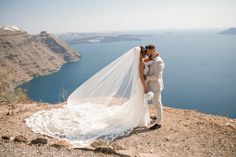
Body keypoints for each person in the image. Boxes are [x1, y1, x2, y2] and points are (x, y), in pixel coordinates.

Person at [25, 46, 152, 148]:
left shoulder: (139, 62)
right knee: (139, 101)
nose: (146, 55)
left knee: (138, 102)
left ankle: (140, 118)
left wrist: (152, 58)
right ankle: (139, 119)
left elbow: (142, 66)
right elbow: (141, 77)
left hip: (137, 85)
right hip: (140, 85)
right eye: (145, 53)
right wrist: (146, 88)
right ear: (142, 54)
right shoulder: (140, 63)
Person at [144, 44, 165, 130]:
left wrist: (146, 78)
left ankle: (159, 123)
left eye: (148, 51)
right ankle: (157, 117)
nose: (147, 53)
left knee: (157, 104)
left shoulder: (158, 61)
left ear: (153, 50)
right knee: (155, 103)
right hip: (151, 86)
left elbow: (157, 76)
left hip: (156, 86)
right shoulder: (153, 58)